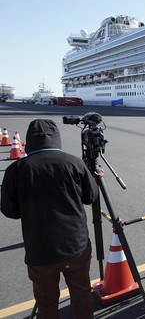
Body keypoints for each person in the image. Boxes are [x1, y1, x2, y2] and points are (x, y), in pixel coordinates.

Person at [1, 119, 99, 318]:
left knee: (46, 303)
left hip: (40, 251)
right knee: (81, 296)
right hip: (76, 246)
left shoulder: (16, 170)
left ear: (29, 140)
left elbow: (10, 211)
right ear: (56, 138)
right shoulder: (74, 163)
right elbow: (91, 197)